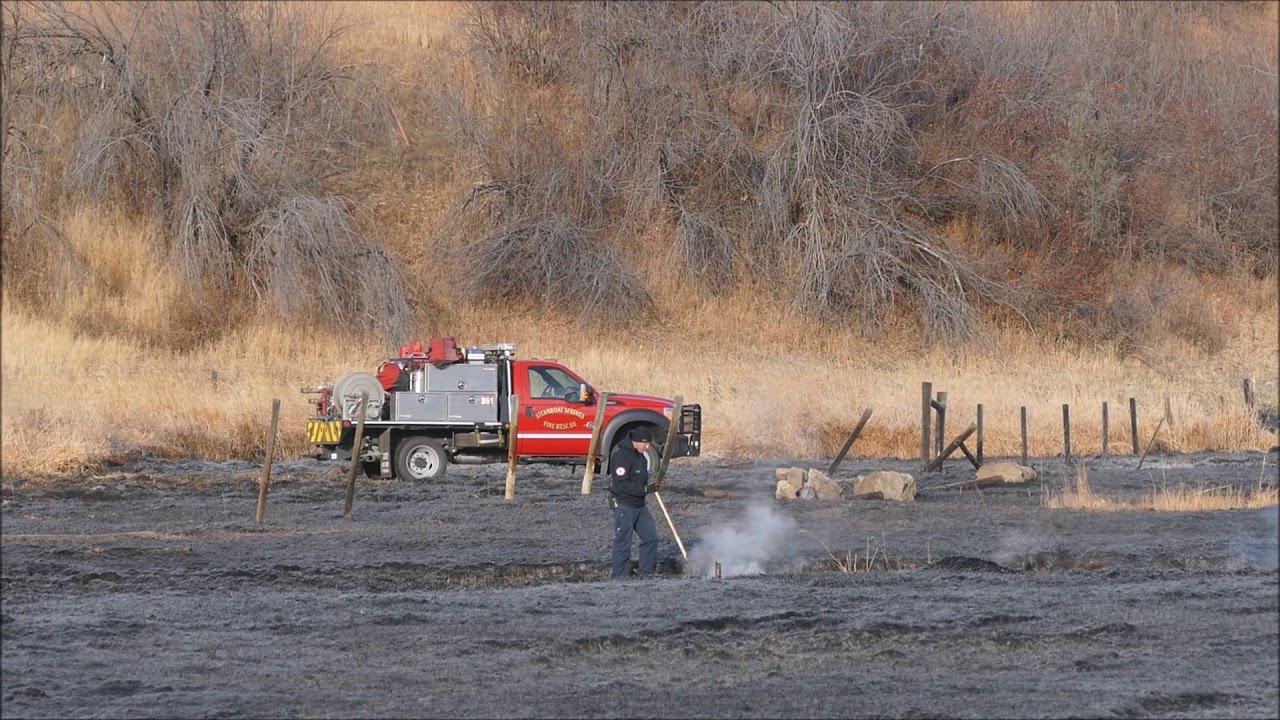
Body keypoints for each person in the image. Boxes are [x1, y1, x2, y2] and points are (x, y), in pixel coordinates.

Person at [608, 427, 659, 579]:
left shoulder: (642, 458)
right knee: (623, 541)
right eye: (646, 444)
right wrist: (643, 489)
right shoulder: (622, 456)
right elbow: (621, 484)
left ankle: (646, 573)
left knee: (650, 537)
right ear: (636, 442)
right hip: (624, 504)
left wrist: (649, 489)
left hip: (640, 505)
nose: (648, 447)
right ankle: (619, 576)